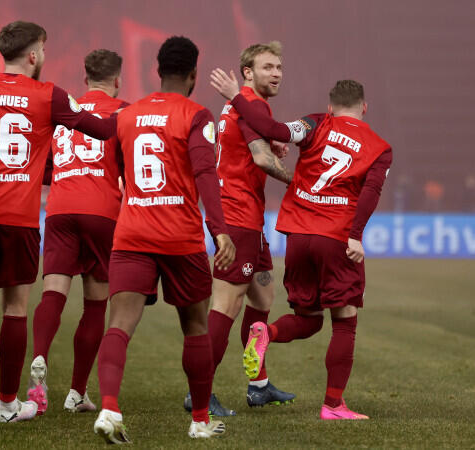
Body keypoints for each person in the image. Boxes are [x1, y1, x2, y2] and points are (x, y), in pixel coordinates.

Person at [0, 21, 116, 429]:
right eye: (44, 51)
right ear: (34, 55)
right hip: (18, 220)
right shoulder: (50, 94)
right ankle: (6, 405)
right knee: (15, 310)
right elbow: (104, 130)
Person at [211, 72, 392, 420]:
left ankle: (267, 332)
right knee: (344, 322)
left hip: (297, 234)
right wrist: (356, 235)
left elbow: (276, 129)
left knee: (309, 318)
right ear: (364, 108)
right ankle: (334, 406)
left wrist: (236, 98)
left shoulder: (315, 122)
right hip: (336, 237)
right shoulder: (380, 147)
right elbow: (370, 194)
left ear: (330, 106)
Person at [92, 36, 236, 444]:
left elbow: (122, 168)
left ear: (157, 71)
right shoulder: (196, 114)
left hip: (133, 232)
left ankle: (109, 408)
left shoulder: (128, 114)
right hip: (180, 236)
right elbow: (206, 173)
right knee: (194, 327)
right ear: (193, 74)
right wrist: (220, 229)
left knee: (119, 325)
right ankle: (200, 420)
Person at [184, 42, 295, 416]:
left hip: (249, 218)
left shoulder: (242, 105)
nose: (277, 73)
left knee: (262, 299)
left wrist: (268, 144)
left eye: (279, 67)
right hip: (238, 218)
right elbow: (262, 159)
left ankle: (258, 384)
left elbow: (255, 147)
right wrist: (301, 185)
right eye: (268, 67)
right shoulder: (252, 104)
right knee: (226, 306)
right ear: (248, 72)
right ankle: (199, 394)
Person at [27, 48, 129, 415]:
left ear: (85, 78)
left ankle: (39, 358)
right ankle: (76, 392)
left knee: (53, 293)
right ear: (117, 79)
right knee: (95, 303)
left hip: (60, 209)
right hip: (103, 211)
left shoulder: (63, 111)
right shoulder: (124, 111)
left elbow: (44, 166)